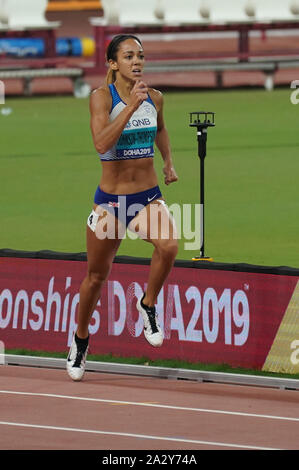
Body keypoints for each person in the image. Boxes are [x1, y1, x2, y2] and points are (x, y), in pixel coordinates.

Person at [67, 34, 178, 381]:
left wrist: (168, 162)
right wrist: (130, 106)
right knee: (96, 277)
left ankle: (147, 305)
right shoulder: (101, 98)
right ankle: (81, 339)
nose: (137, 61)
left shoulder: (155, 98)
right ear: (113, 63)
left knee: (170, 244)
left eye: (140, 56)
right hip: (111, 204)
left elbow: (160, 129)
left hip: (146, 197)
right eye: (129, 56)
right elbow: (101, 143)